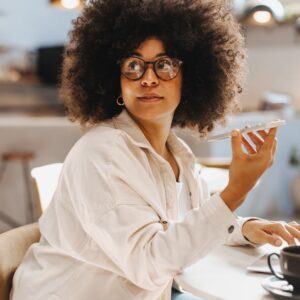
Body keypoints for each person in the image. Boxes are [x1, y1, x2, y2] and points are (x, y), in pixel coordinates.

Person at [11, 1, 300, 300]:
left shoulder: (177, 154)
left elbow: (188, 225)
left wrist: (244, 228)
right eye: (133, 66)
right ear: (116, 81)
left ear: (190, 79)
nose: (148, 78)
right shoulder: (102, 153)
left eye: (164, 64)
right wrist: (236, 191)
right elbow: (150, 263)